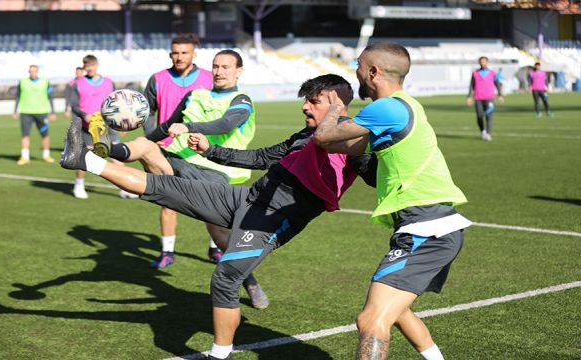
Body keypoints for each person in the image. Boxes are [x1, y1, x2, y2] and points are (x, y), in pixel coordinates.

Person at [60, 74, 379, 360]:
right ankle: (84, 159)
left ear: (338, 102)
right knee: (164, 188)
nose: (305, 107)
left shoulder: (353, 141)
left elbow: (375, 174)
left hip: (272, 219)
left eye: (314, 101)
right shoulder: (302, 135)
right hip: (249, 198)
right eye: (305, 100)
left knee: (225, 279)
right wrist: (212, 151)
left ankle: (220, 354)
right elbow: (262, 157)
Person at [313, 43, 471, 360]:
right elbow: (345, 147)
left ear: (374, 72)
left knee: (371, 319)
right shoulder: (402, 106)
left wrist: (333, 108)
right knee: (397, 312)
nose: (355, 72)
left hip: (427, 230)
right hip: (428, 227)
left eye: (358, 65)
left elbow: (323, 136)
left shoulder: (386, 108)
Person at [92, 50, 251, 268]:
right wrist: (148, 139)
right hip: (178, 161)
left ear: (238, 71)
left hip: (215, 173)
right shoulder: (195, 95)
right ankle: (107, 150)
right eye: (216, 66)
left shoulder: (241, 100)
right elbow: (167, 127)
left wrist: (188, 127)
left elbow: (226, 124)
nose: (219, 71)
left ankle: (249, 281)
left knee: (220, 235)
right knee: (145, 145)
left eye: (226, 67)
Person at [142, 33, 216, 266]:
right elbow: (146, 112)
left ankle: (215, 248)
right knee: (167, 202)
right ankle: (167, 253)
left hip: (200, 150)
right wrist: (150, 138)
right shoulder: (157, 79)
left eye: (184, 52)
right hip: (167, 150)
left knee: (212, 201)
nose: (179, 57)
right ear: (170, 53)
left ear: (194, 54)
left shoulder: (209, 78)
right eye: (175, 52)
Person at [69, 54, 133, 199]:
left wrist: (120, 124)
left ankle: (125, 187)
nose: (90, 68)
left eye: (92, 65)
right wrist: (84, 114)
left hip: (107, 125)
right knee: (85, 156)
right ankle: (79, 185)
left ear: (97, 65)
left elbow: (116, 104)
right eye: (87, 66)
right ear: (84, 67)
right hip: (87, 127)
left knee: (117, 156)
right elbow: (73, 105)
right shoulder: (77, 84)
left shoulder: (109, 82)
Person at [12, 65, 57, 165]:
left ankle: (46, 155)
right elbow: (17, 96)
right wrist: (15, 111)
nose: (32, 73)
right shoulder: (23, 82)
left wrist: (53, 112)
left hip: (42, 112)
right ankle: (25, 157)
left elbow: (51, 97)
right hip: (26, 112)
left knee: (45, 134)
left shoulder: (45, 82)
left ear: (37, 72)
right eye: (30, 71)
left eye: (34, 71)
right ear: (28, 72)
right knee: (25, 135)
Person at [466, 56, 504, 141]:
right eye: (481, 62)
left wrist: (500, 95)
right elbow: (471, 85)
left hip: (489, 98)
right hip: (478, 98)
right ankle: (483, 131)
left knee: (489, 115)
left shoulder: (492, 73)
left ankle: (488, 133)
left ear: (487, 62)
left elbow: (497, 84)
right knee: (479, 116)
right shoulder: (475, 73)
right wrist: (469, 96)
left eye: (484, 61)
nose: (483, 63)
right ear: (479, 63)